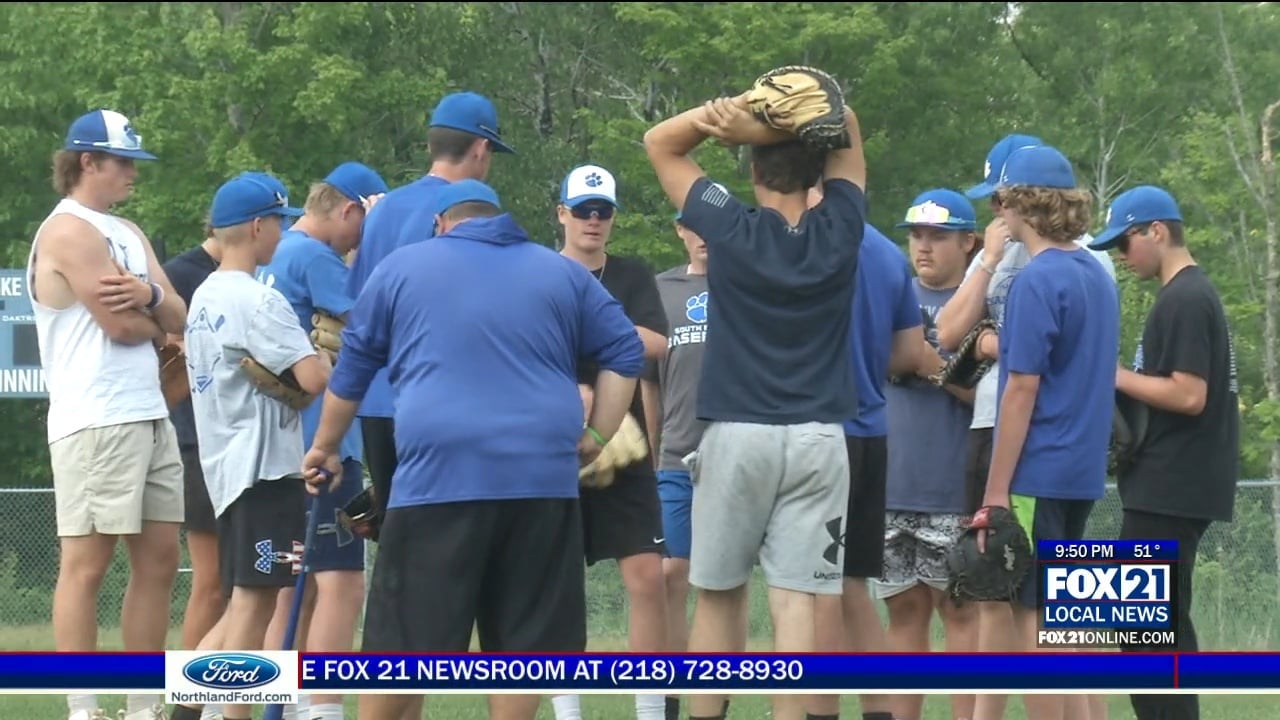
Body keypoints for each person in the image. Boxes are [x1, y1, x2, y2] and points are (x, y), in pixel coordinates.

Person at [303, 180, 645, 720]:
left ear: (441, 224)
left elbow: (353, 369)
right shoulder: (561, 271)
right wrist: (596, 437)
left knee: (401, 650)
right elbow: (625, 350)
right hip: (541, 483)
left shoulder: (402, 267)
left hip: (436, 481)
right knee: (524, 651)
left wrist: (324, 446)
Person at [644, 92, 867, 720]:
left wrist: (734, 114)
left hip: (738, 432)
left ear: (751, 170)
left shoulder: (729, 226)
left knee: (717, 594)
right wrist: (791, 118)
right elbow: (846, 125)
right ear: (817, 167)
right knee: (795, 601)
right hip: (821, 439)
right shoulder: (841, 225)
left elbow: (661, 142)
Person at [939, 134, 1116, 720]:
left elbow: (1020, 388)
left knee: (1029, 626)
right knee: (1072, 632)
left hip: (1036, 471)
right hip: (1081, 471)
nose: (997, 213)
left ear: (1024, 202)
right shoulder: (1094, 272)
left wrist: (995, 493)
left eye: (1000, 201)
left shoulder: (1040, 280)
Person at [27, 108, 188, 720]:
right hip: (94, 417)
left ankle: (143, 706)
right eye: (122, 162)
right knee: (87, 565)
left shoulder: (126, 230)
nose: (131, 174)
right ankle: (82, 706)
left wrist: (148, 294)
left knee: (158, 563)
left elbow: (177, 312)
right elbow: (121, 329)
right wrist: (153, 316)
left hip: (148, 412)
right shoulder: (67, 230)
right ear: (86, 161)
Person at [170, 171, 332, 720]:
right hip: (265, 470)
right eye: (279, 224)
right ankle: (231, 714)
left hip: (226, 467)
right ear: (258, 226)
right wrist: (325, 353)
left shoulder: (204, 295)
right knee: (256, 606)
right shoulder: (259, 300)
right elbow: (313, 379)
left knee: (244, 598)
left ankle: (189, 708)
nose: (283, 235)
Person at [1090, 185, 1240, 720]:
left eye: (1124, 244)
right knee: (1157, 626)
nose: (1121, 257)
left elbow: (1189, 394)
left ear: (1156, 231)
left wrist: (1115, 376)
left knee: (1144, 630)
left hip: (1171, 487)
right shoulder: (1187, 295)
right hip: (1172, 485)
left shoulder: (1184, 297)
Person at [345, 90, 514, 554]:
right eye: (491, 153)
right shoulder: (475, 207)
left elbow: (359, 308)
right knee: (447, 548)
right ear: (480, 148)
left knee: (398, 546)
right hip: (441, 400)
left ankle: (391, 629)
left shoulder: (383, 213)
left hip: (378, 400)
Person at [256, 161, 388, 720]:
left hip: (283, 444)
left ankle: (278, 704)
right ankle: (324, 708)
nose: (361, 237)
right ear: (348, 209)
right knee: (342, 583)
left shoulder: (282, 252)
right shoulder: (314, 255)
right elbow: (374, 323)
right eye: (365, 223)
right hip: (323, 443)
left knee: (294, 587)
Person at [553, 163, 670, 720]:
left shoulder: (630, 274)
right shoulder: (539, 273)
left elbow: (655, 342)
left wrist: (600, 388)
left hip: (626, 439)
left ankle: (649, 710)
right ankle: (566, 709)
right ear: (562, 215)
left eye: (602, 212)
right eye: (583, 211)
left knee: (647, 575)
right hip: (553, 445)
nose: (593, 221)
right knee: (554, 583)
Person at [804, 183, 924, 720]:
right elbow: (908, 351)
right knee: (855, 584)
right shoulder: (883, 251)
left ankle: (821, 712)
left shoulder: (804, 239)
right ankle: (880, 710)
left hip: (819, 434)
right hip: (871, 430)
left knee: (816, 589)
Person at [874, 190, 980, 720]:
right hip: (890, 486)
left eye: (938, 236)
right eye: (916, 235)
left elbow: (995, 395)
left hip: (954, 488)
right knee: (905, 614)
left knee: (960, 615)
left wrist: (928, 365)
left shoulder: (982, 304)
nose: (923, 246)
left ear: (968, 241)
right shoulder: (891, 298)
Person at [641, 213, 711, 720]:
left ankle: (715, 700)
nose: (705, 236)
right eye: (695, 226)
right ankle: (667, 699)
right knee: (671, 575)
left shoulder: (749, 286)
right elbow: (648, 380)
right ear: (680, 231)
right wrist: (650, 450)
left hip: (736, 456)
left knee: (723, 584)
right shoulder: (660, 290)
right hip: (675, 457)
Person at [161, 221, 225, 720]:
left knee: (251, 583)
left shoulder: (252, 276)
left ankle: (234, 694)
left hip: (239, 445)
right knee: (213, 580)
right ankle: (187, 703)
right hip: (196, 440)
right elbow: (166, 352)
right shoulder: (183, 274)